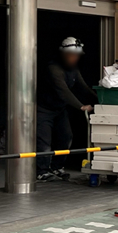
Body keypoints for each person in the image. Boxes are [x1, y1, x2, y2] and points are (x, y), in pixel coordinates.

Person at [36, 37, 97, 182]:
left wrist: (101, 99)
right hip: (43, 109)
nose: (74, 58)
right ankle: (42, 171)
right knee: (44, 142)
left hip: (59, 110)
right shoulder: (54, 68)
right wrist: (81, 107)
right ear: (63, 54)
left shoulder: (73, 70)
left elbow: (83, 87)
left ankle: (57, 167)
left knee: (66, 137)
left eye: (76, 55)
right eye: (71, 55)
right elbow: (63, 91)